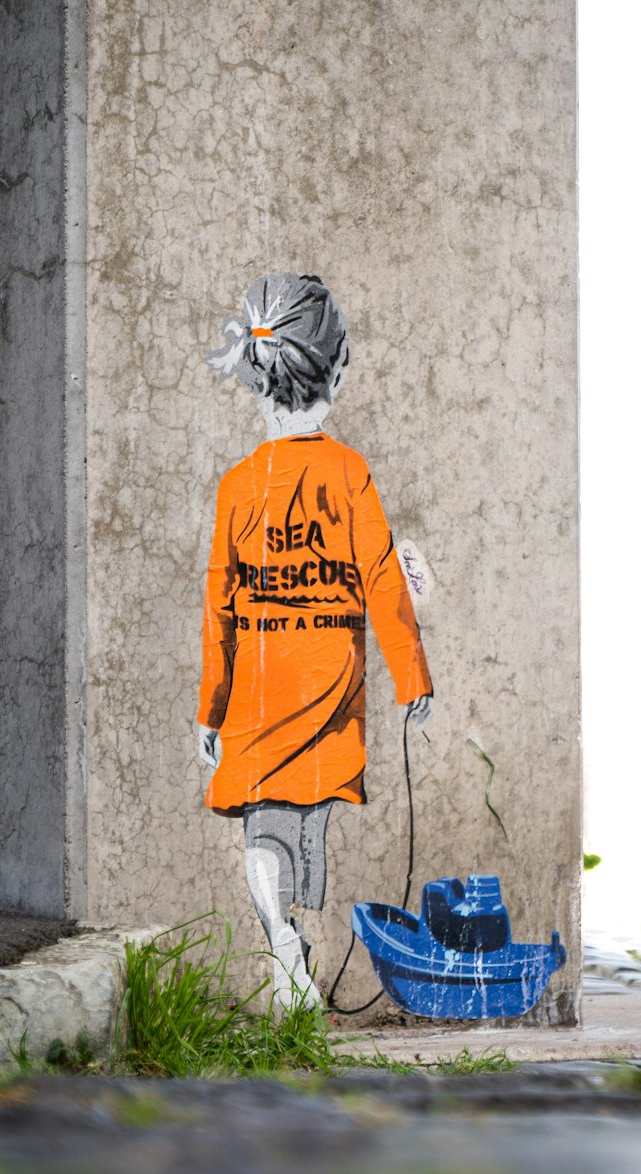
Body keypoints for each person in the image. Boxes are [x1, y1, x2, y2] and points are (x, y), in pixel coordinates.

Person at [197, 272, 433, 1010]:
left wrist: (212, 708)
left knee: (263, 822)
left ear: (256, 376)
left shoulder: (239, 485)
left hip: (261, 686)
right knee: (308, 819)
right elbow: (387, 584)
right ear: (338, 368)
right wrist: (413, 677)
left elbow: (220, 610)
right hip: (330, 683)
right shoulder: (350, 472)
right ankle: (292, 933)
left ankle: (281, 936)